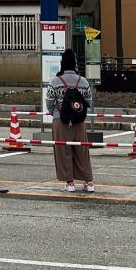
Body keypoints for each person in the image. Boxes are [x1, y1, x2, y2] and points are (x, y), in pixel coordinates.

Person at [47, 51, 95, 192]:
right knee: (82, 151)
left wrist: (56, 113)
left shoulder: (55, 81)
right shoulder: (83, 81)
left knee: (63, 151)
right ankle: (89, 181)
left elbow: (49, 102)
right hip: (79, 121)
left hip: (61, 121)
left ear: (62, 63)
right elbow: (89, 102)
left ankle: (70, 183)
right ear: (74, 63)